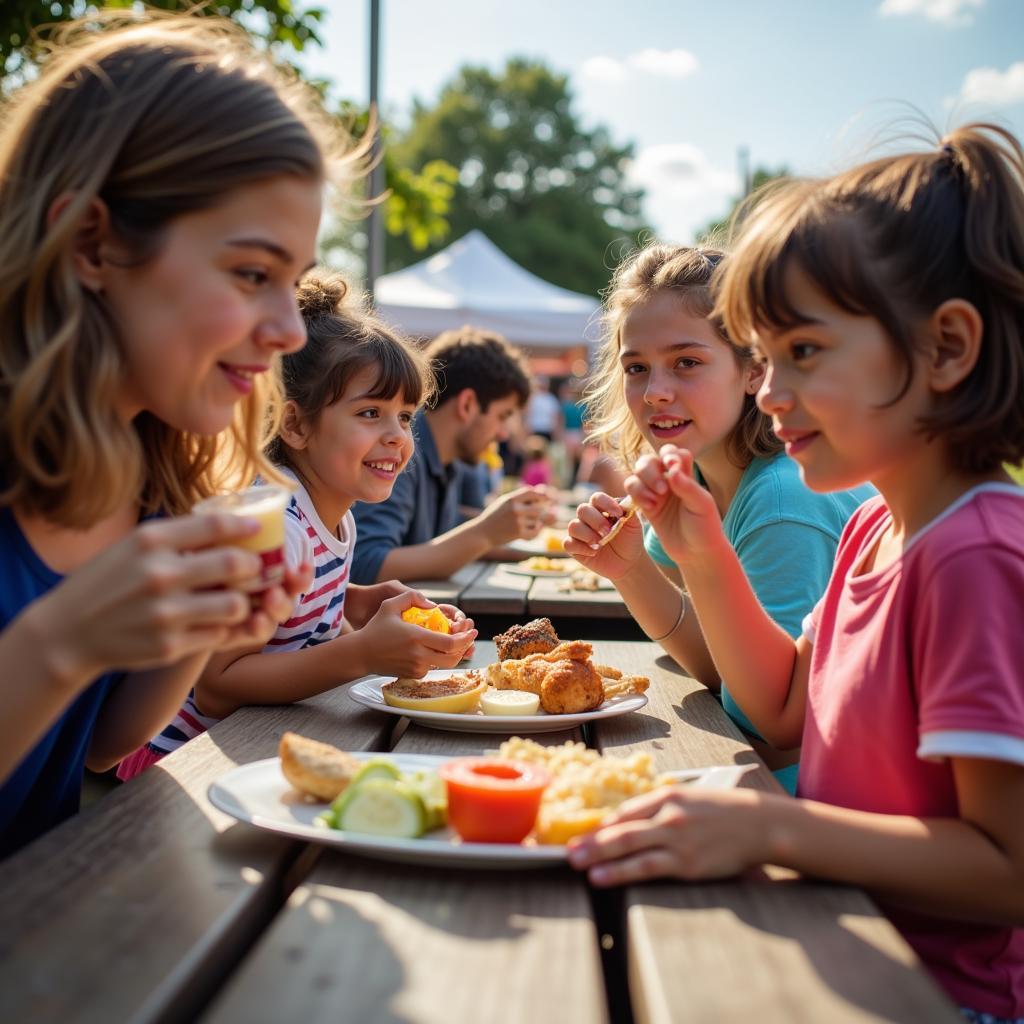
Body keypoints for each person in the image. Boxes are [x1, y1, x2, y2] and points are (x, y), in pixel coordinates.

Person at [567, 125, 1024, 1022]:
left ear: (947, 348)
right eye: (764, 357)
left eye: (802, 353)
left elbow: (1008, 873)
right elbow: (778, 707)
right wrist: (697, 552)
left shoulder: (976, 555)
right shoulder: (869, 530)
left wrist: (775, 826)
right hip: (839, 935)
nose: (769, 391)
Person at [0, 13, 359, 857]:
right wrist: (62, 642)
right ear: (92, 241)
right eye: (250, 274)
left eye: (294, 282)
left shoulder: (148, 472)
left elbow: (99, 745)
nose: (290, 330)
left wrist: (205, 630)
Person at [117, 274, 477, 778]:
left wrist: (355, 599)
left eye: (404, 416)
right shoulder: (278, 525)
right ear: (296, 425)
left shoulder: (334, 515)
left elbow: (289, 612)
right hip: (181, 765)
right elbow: (219, 683)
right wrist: (361, 652)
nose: (397, 437)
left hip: (257, 750)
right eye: (371, 412)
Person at [567, 244, 871, 792]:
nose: (656, 392)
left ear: (754, 369)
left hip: (815, 802)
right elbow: (725, 668)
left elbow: (769, 727)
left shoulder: (781, 502)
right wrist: (631, 570)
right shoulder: (702, 478)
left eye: (687, 362)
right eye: (636, 367)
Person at [350, 326, 554, 583]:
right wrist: (486, 532)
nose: (504, 434)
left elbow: (444, 532)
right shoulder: (398, 454)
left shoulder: (450, 460)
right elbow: (365, 564)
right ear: (467, 404)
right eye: (502, 416)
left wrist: (512, 523)